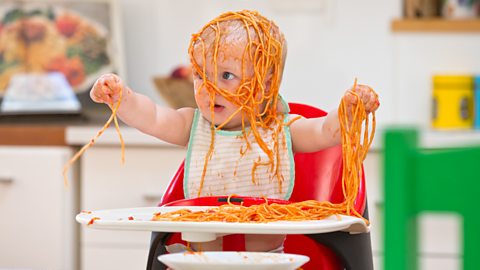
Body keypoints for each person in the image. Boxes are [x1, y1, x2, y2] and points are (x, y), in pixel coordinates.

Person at [90, 10, 379, 253]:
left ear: (265, 86)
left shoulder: (281, 130)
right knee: (189, 248)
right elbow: (152, 116)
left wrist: (349, 112)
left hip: (267, 261)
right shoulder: (193, 127)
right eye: (201, 75)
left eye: (226, 76)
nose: (209, 89)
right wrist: (121, 98)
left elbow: (325, 132)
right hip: (203, 258)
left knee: (272, 253)